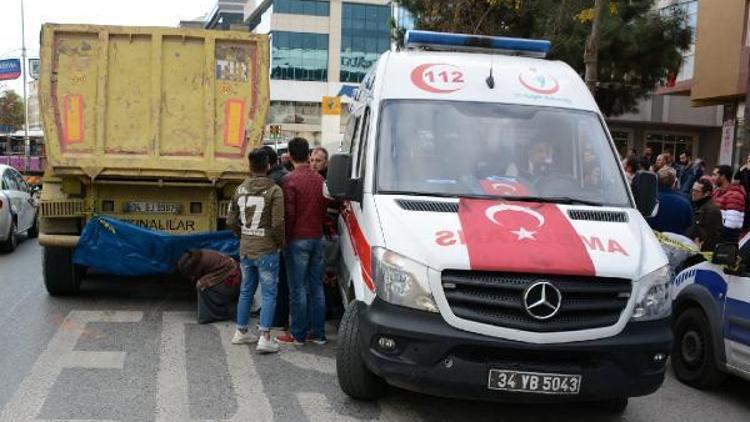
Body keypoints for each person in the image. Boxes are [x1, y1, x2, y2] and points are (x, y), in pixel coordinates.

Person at [227, 148, 285, 353]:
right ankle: (265, 337)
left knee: (246, 290)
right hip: (266, 248)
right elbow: (278, 223)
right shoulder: (274, 190)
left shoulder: (240, 189)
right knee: (269, 293)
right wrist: (280, 243)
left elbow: (231, 220)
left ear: (250, 167)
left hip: (246, 248)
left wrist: (242, 234)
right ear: (268, 166)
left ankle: (241, 331)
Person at [276, 137, 329, 346]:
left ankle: (297, 334)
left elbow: (288, 214)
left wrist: (283, 239)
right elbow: (325, 208)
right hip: (317, 237)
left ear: (289, 154)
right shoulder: (320, 180)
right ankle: (318, 333)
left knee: (297, 289)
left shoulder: (289, 180)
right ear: (308, 155)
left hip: (297, 239)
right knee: (316, 287)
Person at [261, 145, 290, 331]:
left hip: (276, 237)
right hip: (291, 234)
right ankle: (281, 316)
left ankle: (276, 318)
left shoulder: (272, 182)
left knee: (274, 281)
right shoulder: (286, 175)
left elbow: (274, 217)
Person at [176, 249, 241, 324]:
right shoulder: (201, 257)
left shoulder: (202, 261)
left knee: (201, 285)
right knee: (202, 284)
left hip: (232, 281)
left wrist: (204, 282)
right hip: (228, 276)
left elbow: (222, 274)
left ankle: (212, 315)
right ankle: (212, 312)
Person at [647, 167, 693, 234]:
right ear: (674, 182)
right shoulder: (685, 203)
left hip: (648, 238)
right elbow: (688, 225)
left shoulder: (646, 198)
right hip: (674, 241)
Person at [712, 165, 746, 242]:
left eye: (715, 175)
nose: (712, 178)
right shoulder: (716, 192)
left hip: (725, 243)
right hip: (714, 239)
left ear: (723, 177)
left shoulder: (735, 195)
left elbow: (732, 226)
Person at [689, 178, 722, 252]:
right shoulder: (697, 205)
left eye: (697, 191)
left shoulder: (711, 211)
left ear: (707, 193)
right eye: (693, 190)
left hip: (701, 255)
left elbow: (712, 237)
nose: (693, 193)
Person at [734, 153, 750, 231]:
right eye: (748, 159)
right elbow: (736, 177)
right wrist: (741, 169)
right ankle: (743, 227)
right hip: (743, 193)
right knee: (744, 210)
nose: (748, 161)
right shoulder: (744, 169)